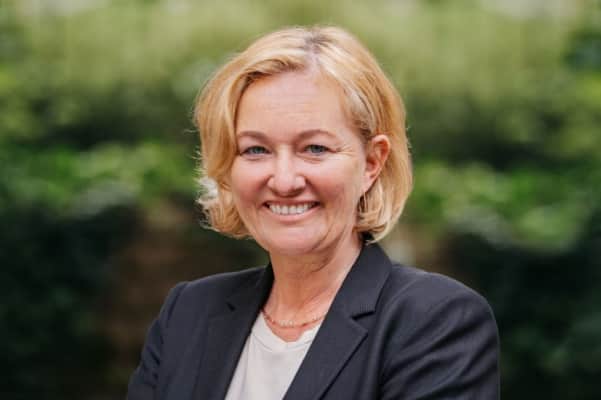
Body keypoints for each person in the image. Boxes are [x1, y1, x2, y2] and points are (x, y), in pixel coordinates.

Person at [127, 26, 499, 399]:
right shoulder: (188, 313)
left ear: (372, 163)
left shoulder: (436, 321)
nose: (284, 180)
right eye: (256, 150)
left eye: (315, 148)